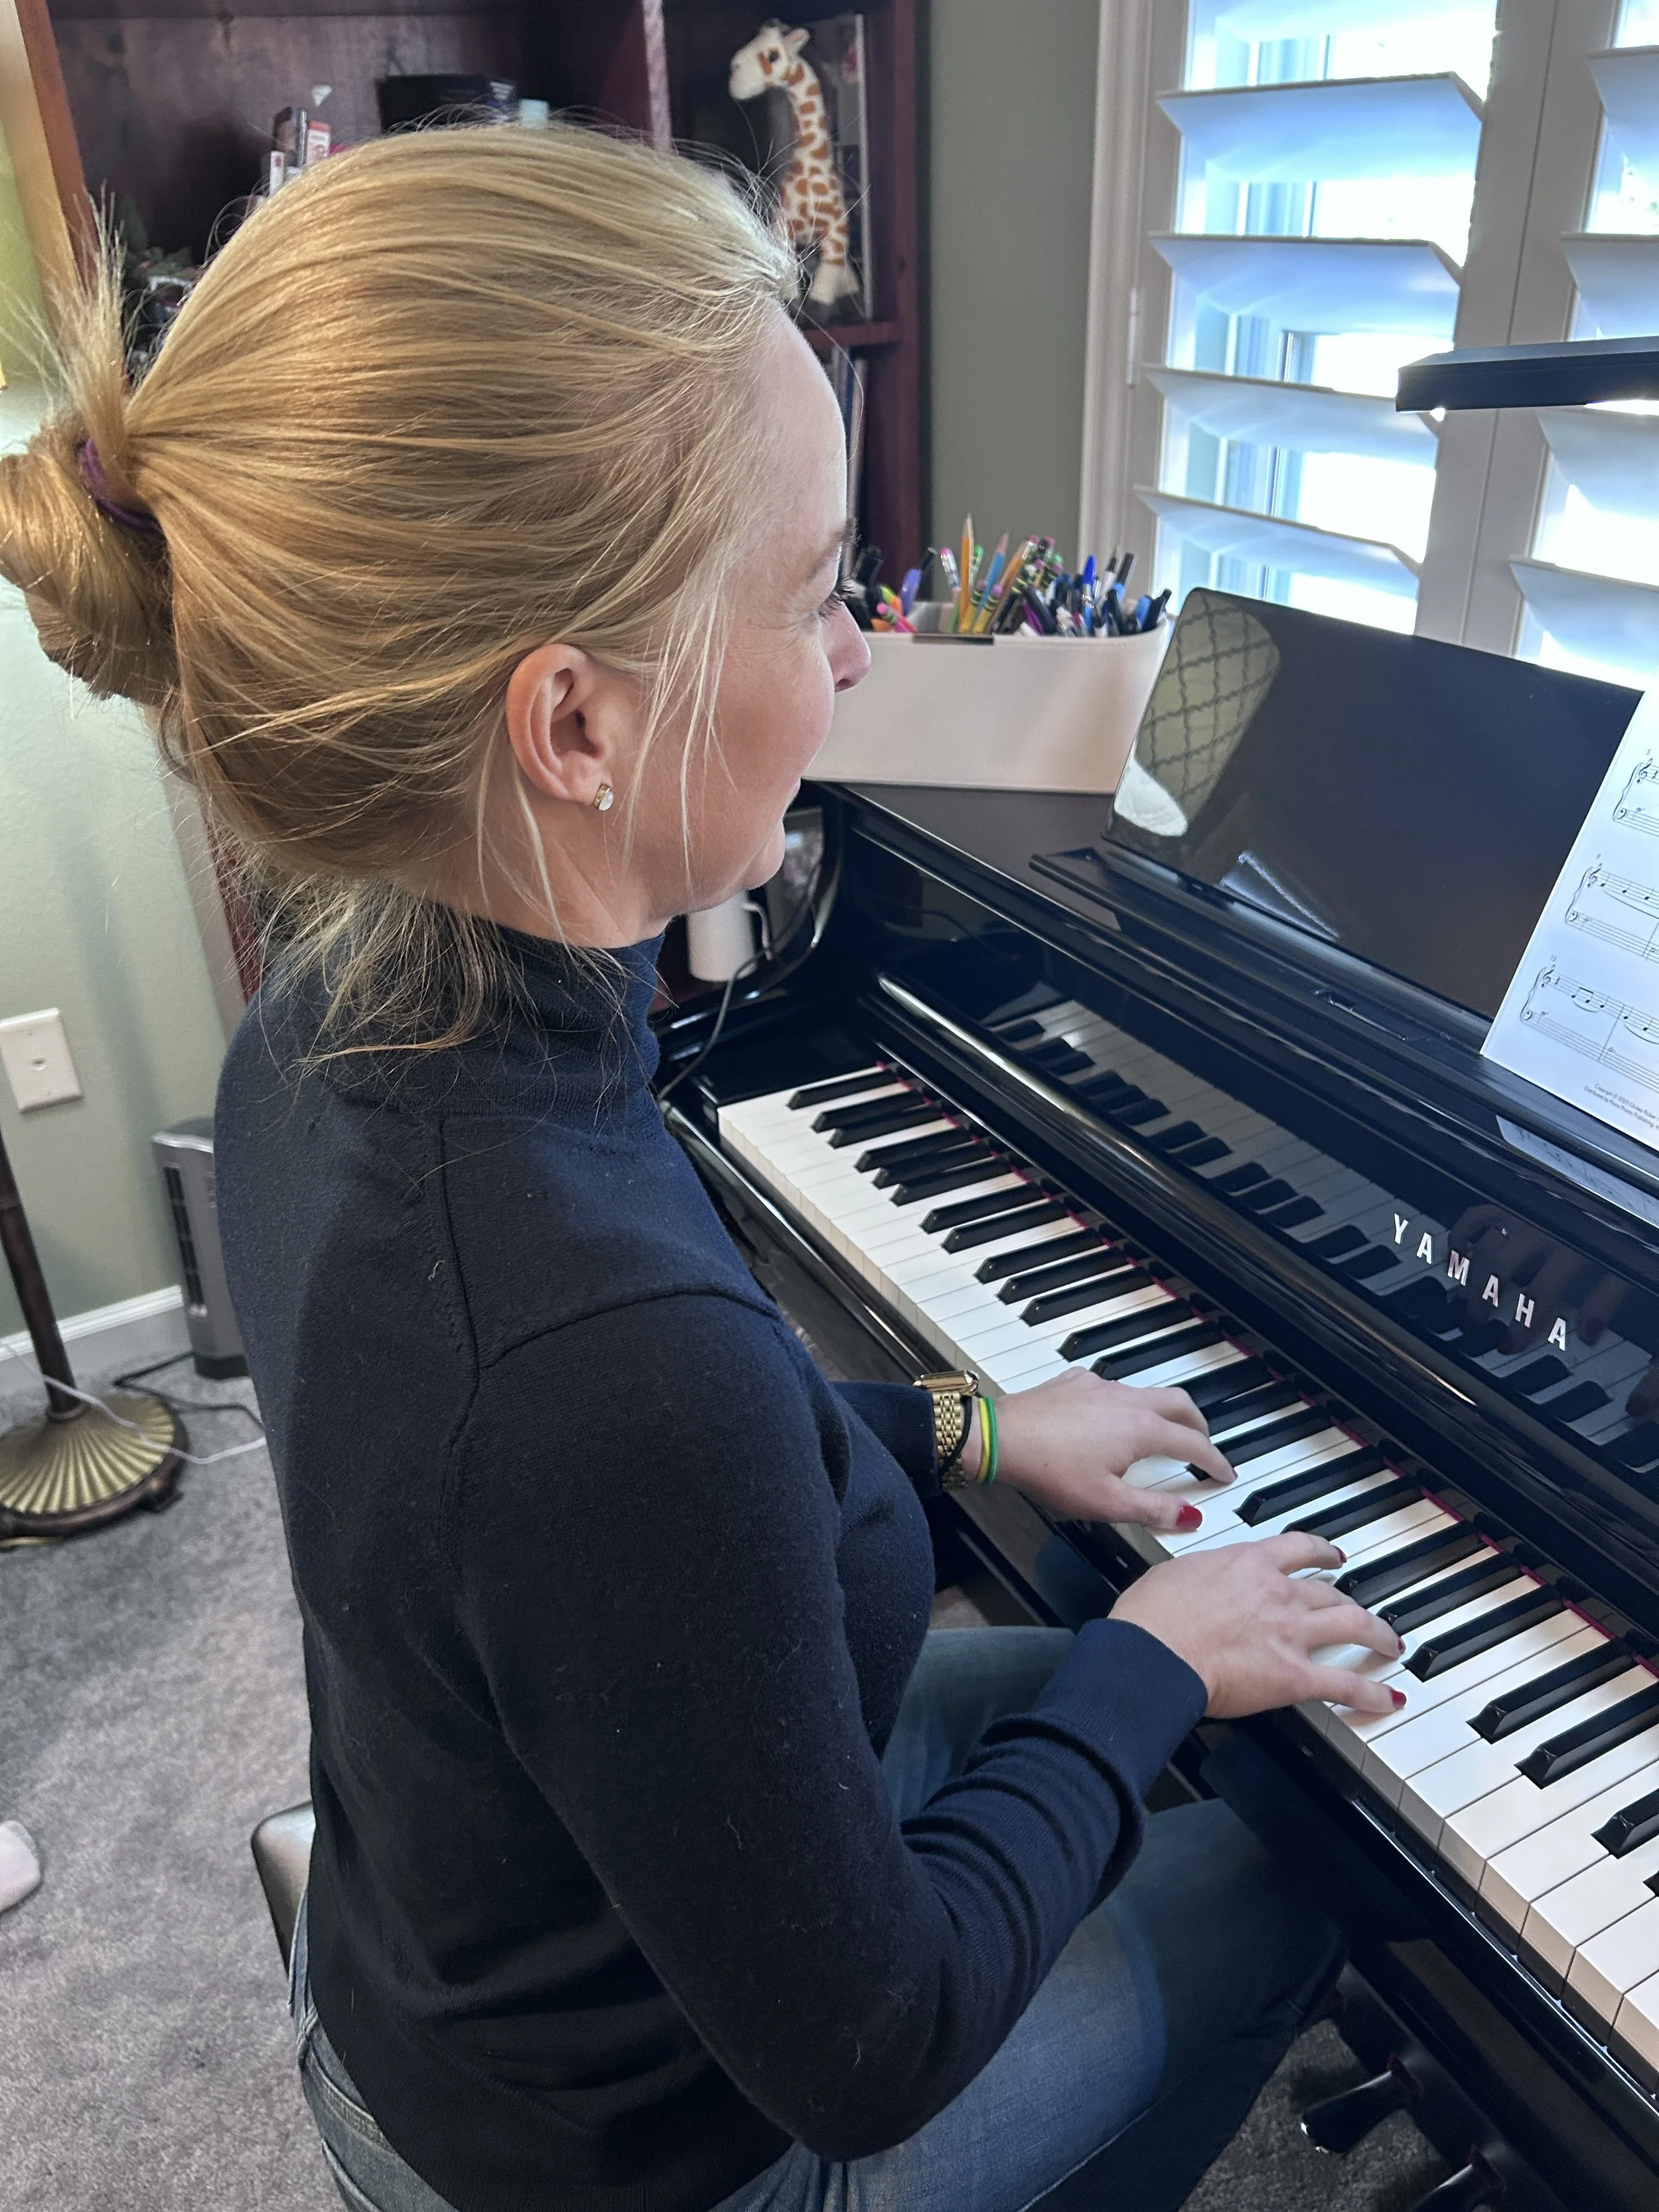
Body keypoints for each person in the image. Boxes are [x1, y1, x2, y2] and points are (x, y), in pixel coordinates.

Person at [0, 125, 1404, 2212]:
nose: (855, 659)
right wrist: (1148, 1662)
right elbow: (867, 2042)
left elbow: (612, 1494)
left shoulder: (331, 1043)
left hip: (484, 1936)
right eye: (823, 589)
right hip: (641, 2145)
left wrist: (972, 1417)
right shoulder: (571, 1331)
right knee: (1298, 1847)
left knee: (1201, 1710)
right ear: (570, 724)